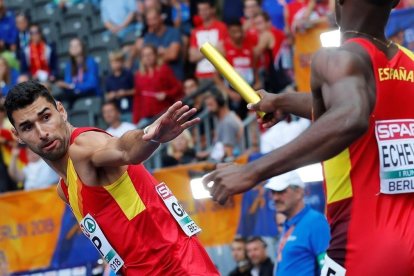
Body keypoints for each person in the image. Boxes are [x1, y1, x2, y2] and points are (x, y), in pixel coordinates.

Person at [204, 0, 414, 275]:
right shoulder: (409, 63)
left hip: (363, 245)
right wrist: (284, 101)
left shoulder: (335, 58)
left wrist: (253, 171)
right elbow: (355, 103)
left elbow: (350, 115)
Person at [4, 80, 219, 275]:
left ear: (61, 111)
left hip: (179, 268)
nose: (42, 132)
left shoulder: (83, 146)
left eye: (46, 117)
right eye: (27, 127)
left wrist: (150, 138)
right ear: (17, 136)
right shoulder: (65, 189)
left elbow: (124, 149)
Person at [264, 171, 330, 275]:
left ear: (299, 192)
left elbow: (328, 267)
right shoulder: (288, 224)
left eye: (281, 191)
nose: (275, 198)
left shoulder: (315, 221)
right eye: (273, 192)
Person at [132, 44, 183, 127]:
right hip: (146, 118)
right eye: (144, 55)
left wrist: (166, 94)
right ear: (141, 59)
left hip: (163, 114)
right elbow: (137, 99)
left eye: (150, 54)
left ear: (155, 55)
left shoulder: (164, 69)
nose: (147, 57)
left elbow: (178, 89)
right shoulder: (138, 75)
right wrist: (136, 120)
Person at [197, 91, 243, 162]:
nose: (209, 109)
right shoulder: (223, 120)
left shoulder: (227, 122)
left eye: (211, 105)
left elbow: (228, 152)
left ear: (220, 102)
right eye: (207, 106)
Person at [189, 0, 228, 83]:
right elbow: (192, 57)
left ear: (212, 10)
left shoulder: (221, 27)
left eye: (205, 9)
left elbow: (223, 52)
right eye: (200, 10)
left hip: (219, 73)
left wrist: (200, 52)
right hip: (201, 74)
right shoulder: (196, 31)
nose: (202, 12)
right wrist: (213, 49)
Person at [140, 8, 184, 80]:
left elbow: (173, 55)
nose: (152, 23)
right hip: (155, 79)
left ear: (160, 18)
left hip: (174, 76)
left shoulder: (174, 32)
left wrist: (154, 56)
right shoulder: (148, 37)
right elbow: (145, 60)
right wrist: (164, 51)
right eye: (149, 20)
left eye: (154, 19)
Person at [56, 38, 100, 108]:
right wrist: (65, 85)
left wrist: (74, 86)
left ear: (82, 47)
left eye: (77, 45)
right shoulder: (69, 65)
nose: (74, 48)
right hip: (74, 95)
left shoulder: (90, 61)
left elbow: (92, 84)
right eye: (72, 46)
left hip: (89, 93)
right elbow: (68, 82)